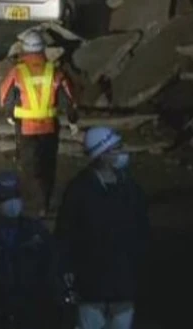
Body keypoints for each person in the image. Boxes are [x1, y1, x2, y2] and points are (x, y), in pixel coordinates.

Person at [54, 126, 151, 329]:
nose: (121, 153)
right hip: (92, 286)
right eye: (116, 148)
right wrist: (66, 270)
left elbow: (141, 231)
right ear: (102, 155)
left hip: (123, 284)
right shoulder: (80, 190)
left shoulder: (130, 188)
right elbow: (65, 233)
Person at [0, 171, 63, 329]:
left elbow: (51, 275)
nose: (12, 203)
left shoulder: (37, 234)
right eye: (5, 198)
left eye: (15, 196)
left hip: (31, 317)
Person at [0, 30, 79, 218]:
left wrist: (10, 115)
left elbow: (6, 96)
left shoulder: (18, 72)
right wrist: (73, 120)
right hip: (49, 127)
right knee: (47, 166)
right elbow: (69, 98)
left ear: (24, 50)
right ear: (43, 49)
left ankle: (32, 206)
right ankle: (44, 203)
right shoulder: (54, 71)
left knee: (29, 166)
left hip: (26, 128)